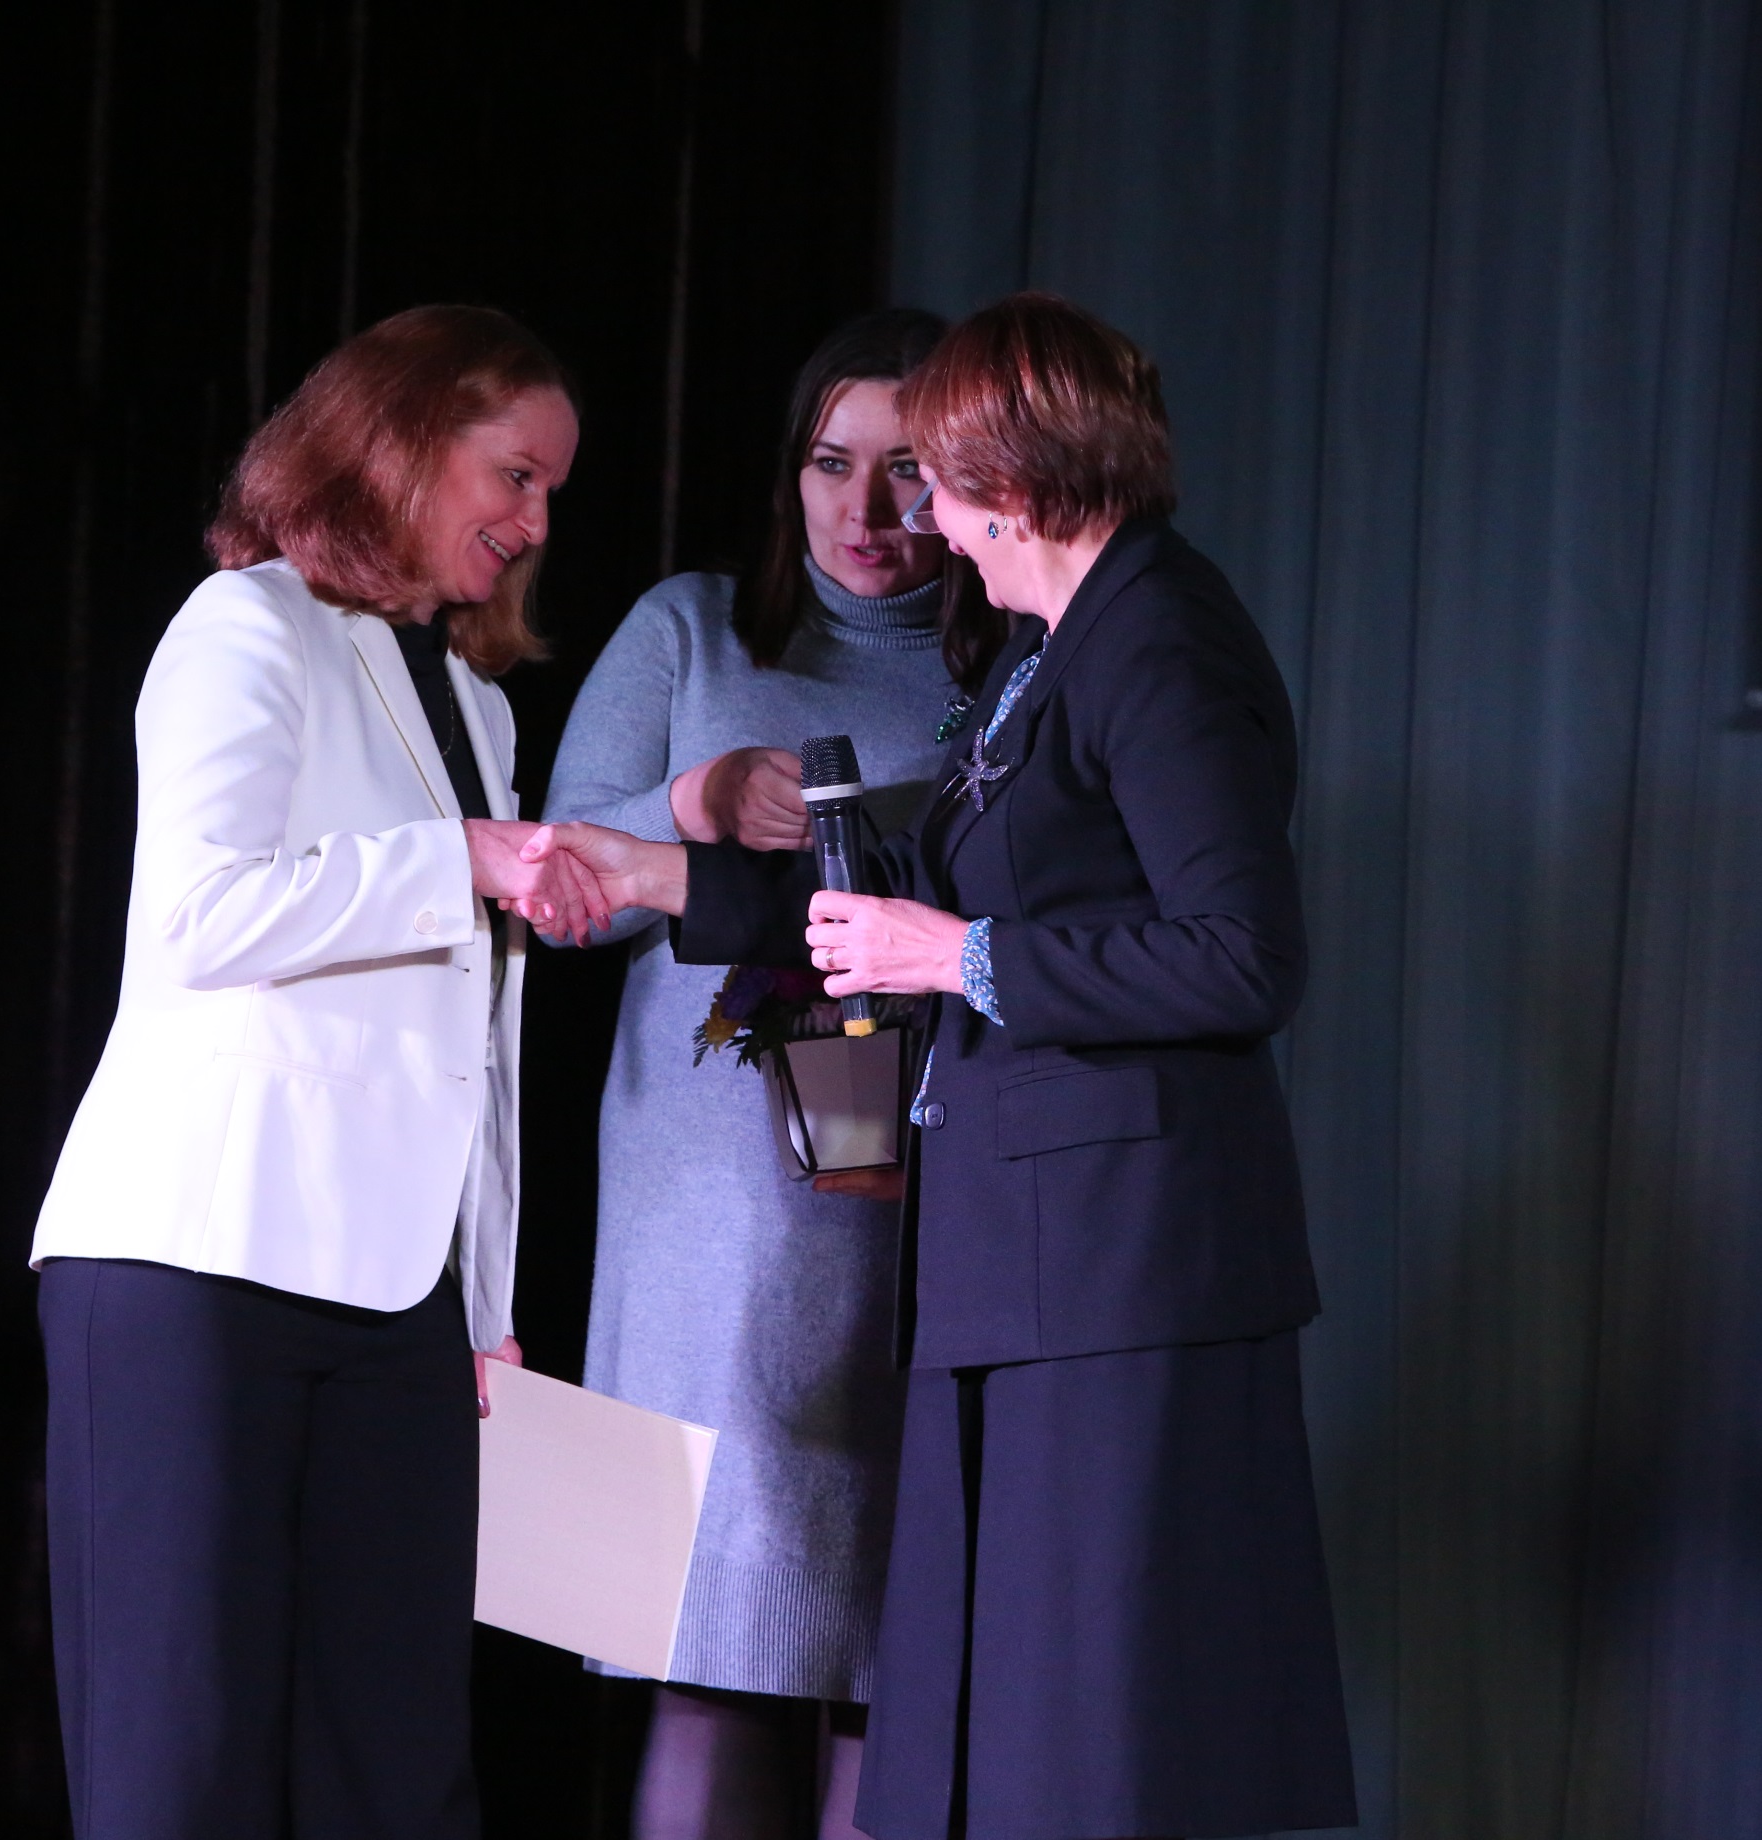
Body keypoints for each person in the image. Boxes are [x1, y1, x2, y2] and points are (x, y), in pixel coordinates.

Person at [534, 293, 1355, 1840]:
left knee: (1079, 1727)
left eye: (932, 480)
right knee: (976, 1721)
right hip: (1024, 1264)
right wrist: (667, 872)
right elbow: (919, 882)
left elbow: (1246, 956)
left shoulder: (1156, 641)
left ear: (1009, 480)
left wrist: (957, 958)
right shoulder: (1058, 646)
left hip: (1111, 1268)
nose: (914, 521)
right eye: (855, 470)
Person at [29, 305, 606, 1840]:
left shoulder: (476, 704)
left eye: (553, 490)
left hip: (402, 1295)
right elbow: (199, 918)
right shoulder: (249, 625)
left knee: (397, 1771)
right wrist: (452, 858)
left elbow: (476, 1042)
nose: (536, 521)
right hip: (197, 1259)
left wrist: (485, 1305)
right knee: (180, 1766)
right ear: (403, 444)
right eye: (515, 475)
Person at [544, 308, 1002, 1840]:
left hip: (908, 1217)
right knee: (696, 1652)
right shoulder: (692, 627)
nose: (866, 510)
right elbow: (557, 886)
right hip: (698, 1237)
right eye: (830, 463)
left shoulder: (1012, 670)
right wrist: (698, 797)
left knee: (895, 1662)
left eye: (909, 470)